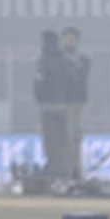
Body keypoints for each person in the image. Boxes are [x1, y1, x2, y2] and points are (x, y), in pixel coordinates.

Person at [33, 30, 71, 181]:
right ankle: (63, 168)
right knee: (61, 139)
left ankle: (53, 167)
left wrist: (39, 99)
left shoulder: (43, 60)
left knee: (50, 139)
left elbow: (38, 83)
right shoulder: (64, 60)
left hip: (47, 105)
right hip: (62, 106)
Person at [58, 27, 91, 182]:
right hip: (60, 103)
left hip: (77, 103)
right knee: (63, 138)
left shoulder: (83, 59)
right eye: (67, 38)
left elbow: (82, 77)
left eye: (73, 39)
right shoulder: (57, 59)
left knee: (76, 137)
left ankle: (76, 170)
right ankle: (64, 171)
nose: (70, 41)